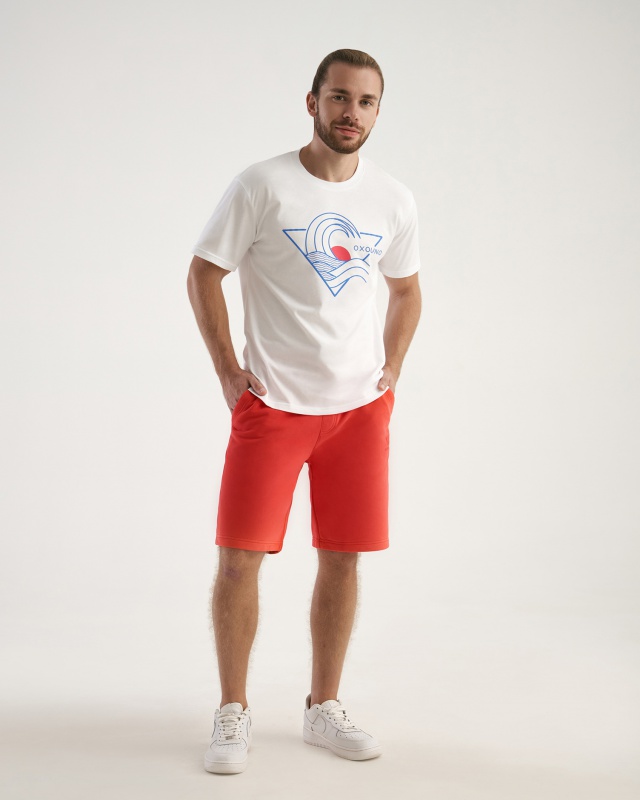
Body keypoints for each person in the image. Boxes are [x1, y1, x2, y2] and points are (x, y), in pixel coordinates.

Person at [187, 48, 421, 774]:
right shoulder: (263, 185)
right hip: (273, 406)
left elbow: (407, 289)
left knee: (343, 559)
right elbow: (204, 272)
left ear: (377, 111)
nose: (352, 112)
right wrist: (228, 372)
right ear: (313, 101)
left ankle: (324, 706)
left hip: (359, 411)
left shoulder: (393, 198)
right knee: (239, 559)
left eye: (366, 101)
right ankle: (233, 711)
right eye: (340, 97)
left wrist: (392, 370)